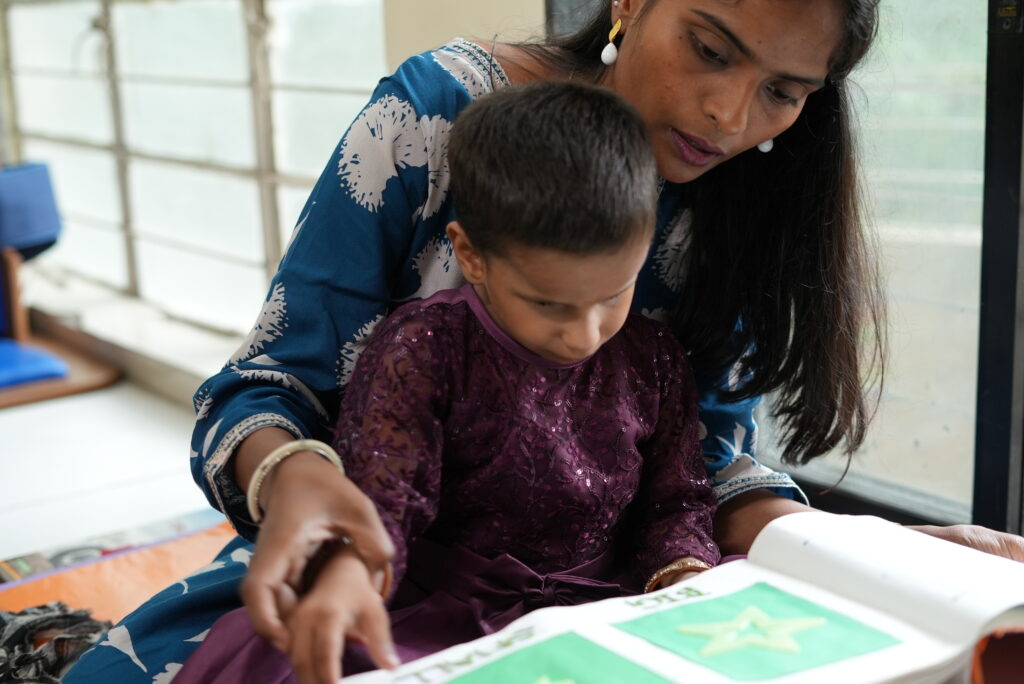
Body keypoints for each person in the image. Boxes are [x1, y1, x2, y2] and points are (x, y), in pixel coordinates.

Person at [64, 0, 1024, 682]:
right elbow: (271, 381)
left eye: (785, 91)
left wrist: (845, 552)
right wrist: (299, 486)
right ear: (631, 0)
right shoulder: (435, 119)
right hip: (388, 566)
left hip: (615, 580)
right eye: (709, 47)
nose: (731, 116)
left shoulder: (746, 192)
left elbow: (705, 460)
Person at [171, 80, 720, 683]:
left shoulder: (655, 357)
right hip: (444, 609)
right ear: (473, 255)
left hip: (604, 597)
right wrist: (353, 567)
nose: (583, 335)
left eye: (613, 295)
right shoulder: (425, 347)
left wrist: (683, 576)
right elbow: (385, 497)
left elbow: (678, 498)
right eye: (549, 305)